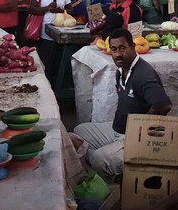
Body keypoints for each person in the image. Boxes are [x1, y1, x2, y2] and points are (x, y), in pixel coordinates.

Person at [73, 29, 171, 179]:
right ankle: (109, 164)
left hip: (132, 136)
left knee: (99, 158)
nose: (118, 54)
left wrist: (139, 129)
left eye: (122, 48)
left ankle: (115, 172)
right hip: (117, 129)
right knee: (79, 132)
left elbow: (164, 105)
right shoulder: (121, 70)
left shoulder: (143, 75)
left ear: (132, 47)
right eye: (114, 49)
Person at [28, 0, 71, 79]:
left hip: (61, 31)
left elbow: (71, 9)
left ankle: (55, 82)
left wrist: (60, 11)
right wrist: (47, 8)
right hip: (44, 33)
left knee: (57, 61)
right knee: (45, 60)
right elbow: (31, 9)